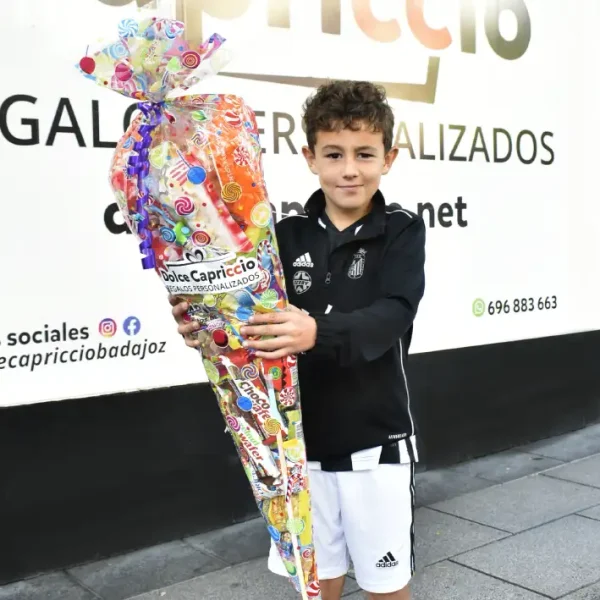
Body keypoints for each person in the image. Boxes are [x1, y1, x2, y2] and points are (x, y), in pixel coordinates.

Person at [170, 80, 426, 600]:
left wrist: (315, 331)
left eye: (364, 154)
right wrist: (205, 323)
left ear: (389, 158)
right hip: (296, 444)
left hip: (376, 443)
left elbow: (394, 314)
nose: (349, 169)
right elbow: (250, 317)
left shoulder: (402, 230)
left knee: (386, 584)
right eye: (334, 154)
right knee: (316, 580)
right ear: (311, 157)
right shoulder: (283, 236)